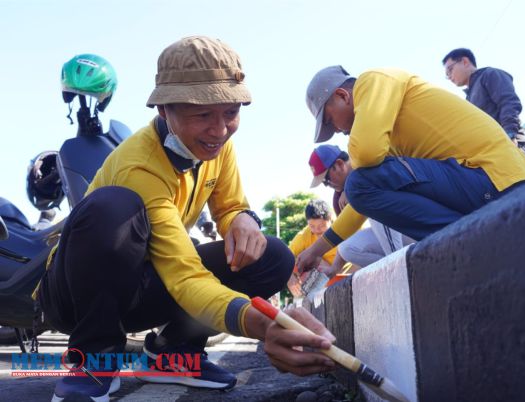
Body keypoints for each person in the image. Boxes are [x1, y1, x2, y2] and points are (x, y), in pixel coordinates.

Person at [37, 37, 336, 401]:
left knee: (271, 255)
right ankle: (94, 358)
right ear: (164, 110)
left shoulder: (217, 148)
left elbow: (229, 207)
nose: (220, 130)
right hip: (76, 294)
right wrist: (265, 323)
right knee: (112, 207)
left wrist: (243, 218)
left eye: (230, 112)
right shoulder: (139, 164)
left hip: (143, 285)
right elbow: (183, 274)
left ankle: (172, 353)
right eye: (202, 115)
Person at [296, 65, 525, 273]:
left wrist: (354, 180)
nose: (336, 130)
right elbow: (360, 202)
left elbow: (366, 156)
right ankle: (467, 239)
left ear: (343, 95)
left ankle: (468, 240)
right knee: (360, 187)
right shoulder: (387, 141)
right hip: (480, 183)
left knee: (358, 184)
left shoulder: (374, 81)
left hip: (495, 176)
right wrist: (316, 250)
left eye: (330, 121)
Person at [308, 144, 410, 278]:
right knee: (346, 248)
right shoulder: (338, 197)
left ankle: (400, 266)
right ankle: (400, 267)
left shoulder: (364, 160)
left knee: (371, 202)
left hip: (417, 222)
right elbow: (346, 236)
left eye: (326, 180)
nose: (328, 186)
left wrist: (352, 186)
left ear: (339, 164)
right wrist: (334, 269)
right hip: (402, 238)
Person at [442, 48, 525, 144]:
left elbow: (508, 103)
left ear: (465, 62)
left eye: (450, 70)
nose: (449, 77)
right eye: (447, 75)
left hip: (511, 144)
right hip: (493, 147)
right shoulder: (468, 98)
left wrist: (510, 134)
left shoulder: (489, 74)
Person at [286, 199, 337, 297]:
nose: (317, 231)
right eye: (312, 226)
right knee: (307, 260)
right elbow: (285, 258)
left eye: (322, 226)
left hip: (343, 272)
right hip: (321, 276)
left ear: (330, 219)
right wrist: (289, 278)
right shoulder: (304, 235)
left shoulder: (342, 227)